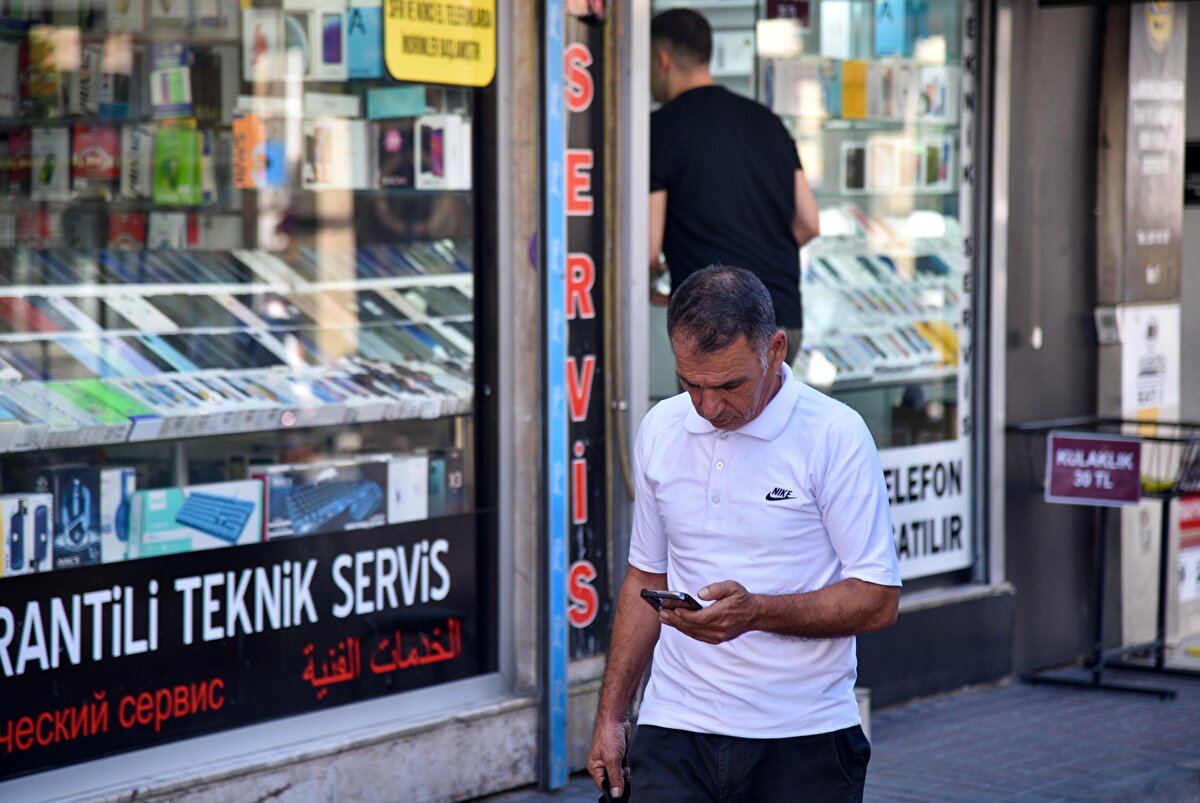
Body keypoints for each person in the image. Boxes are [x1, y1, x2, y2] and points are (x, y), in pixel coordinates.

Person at [588, 266, 901, 802]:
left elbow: (877, 599)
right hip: (674, 727)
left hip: (803, 736)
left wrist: (756, 612)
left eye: (730, 385)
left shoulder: (835, 434)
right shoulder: (660, 429)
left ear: (776, 351)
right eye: (691, 384)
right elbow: (646, 575)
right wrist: (612, 716)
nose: (709, 408)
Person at [649, 9, 820, 366]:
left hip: (715, 325)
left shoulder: (661, 129)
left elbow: (648, 249)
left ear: (661, 60)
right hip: (782, 319)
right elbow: (808, 223)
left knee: (719, 420)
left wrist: (652, 279)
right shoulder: (767, 122)